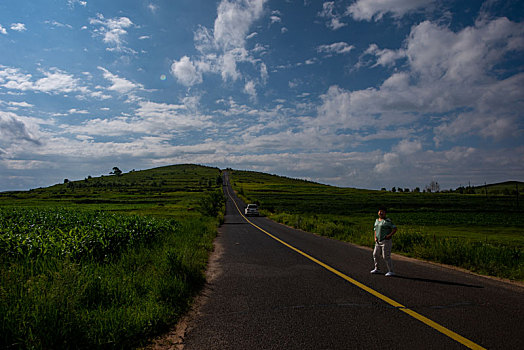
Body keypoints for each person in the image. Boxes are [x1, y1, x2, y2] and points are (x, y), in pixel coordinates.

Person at [371, 206, 397, 276]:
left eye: (382, 212)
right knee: (375, 254)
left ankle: (391, 271)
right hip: (378, 241)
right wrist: (375, 237)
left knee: (386, 256)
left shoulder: (387, 221)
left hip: (386, 241)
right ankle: (377, 268)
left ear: (385, 213)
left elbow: (394, 228)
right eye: (380, 211)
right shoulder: (376, 220)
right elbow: (375, 230)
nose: (381, 213)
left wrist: (389, 235)